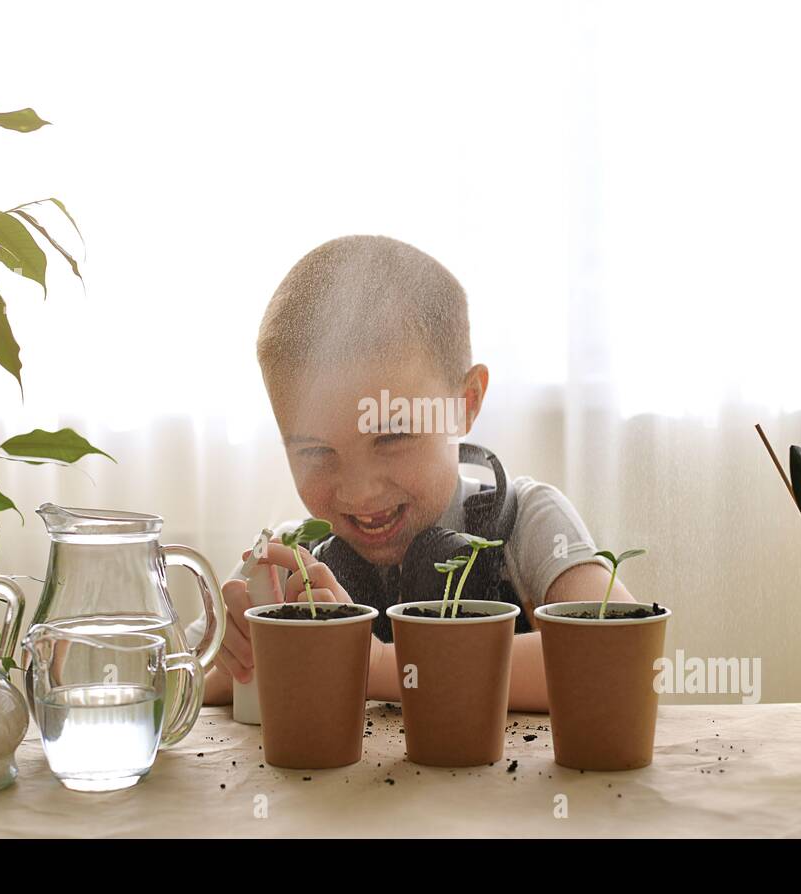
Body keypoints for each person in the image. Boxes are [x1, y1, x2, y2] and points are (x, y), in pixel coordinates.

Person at [204, 235, 633, 712]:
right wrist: (233, 656)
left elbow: (615, 658)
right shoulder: (291, 561)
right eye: (316, 451)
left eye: (391, 437)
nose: (360, 492)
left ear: (465, 404)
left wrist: (376, 666)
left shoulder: (527, 522)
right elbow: (182, 686)